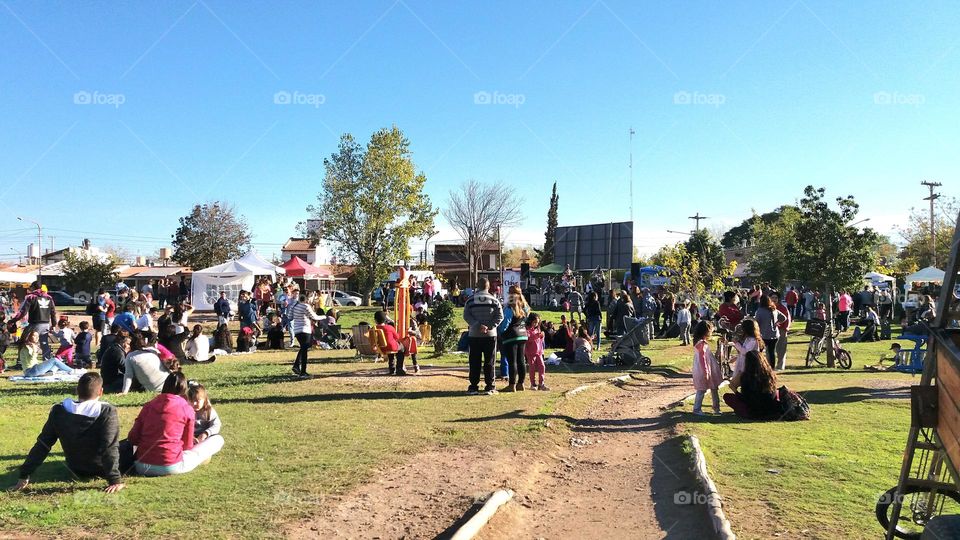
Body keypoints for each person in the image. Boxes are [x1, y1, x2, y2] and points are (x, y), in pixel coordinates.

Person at [12, 372, 124, 493]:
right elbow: (109, 446)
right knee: (131, 444)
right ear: (101, 392)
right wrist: (114, 479)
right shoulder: (106, 411)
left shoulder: (59, 410)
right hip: (101, 468)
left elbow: (42, 445)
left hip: (75, 467)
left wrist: (24, 474)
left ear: (77, 390)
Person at [126, 372, 224, 476]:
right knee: (218, 439)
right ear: (184, 390)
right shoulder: (186, 408)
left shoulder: (148, 406)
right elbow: (187, 446)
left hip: (141, 466)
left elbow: (133, 437)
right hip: (172, 465)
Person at [463, 277, 504, 395]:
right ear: (488, 286)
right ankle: (490, 386)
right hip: (490, 335)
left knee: (474, 361)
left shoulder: (470, 300)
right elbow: (500, 316)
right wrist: (489, 326)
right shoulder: (494, 300)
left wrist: (477, 325)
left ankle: (473, 386)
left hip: (474, 335)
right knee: (489, 361)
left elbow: (466, 316)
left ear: (477, 286)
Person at [725, 350, 786, 420]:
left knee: (727, 397)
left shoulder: (746, 376)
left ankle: (745, 413)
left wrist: (735, 390)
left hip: (754, 410)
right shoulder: (769, 374)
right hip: (771, 408)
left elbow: (746, 398)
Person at [10, 281, 57, 358]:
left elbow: (23, 312)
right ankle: (47, 361)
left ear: (33, 287)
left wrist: (13, 320)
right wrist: (54, 324)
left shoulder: (31, 297)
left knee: (24, 341)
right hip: (46, 324)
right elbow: (53, 312)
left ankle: (21, 362)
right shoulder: (49, 297)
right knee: (44, 344)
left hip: (35, 324)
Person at [498, 287, 530, 392]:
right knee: (521, 360)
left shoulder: (509, 307)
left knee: (512, 361)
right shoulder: (525, 307)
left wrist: (500, 332)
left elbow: (505, 323)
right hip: (523, 334)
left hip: (511, 336)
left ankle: (512, 385)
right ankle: (521, 383)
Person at [287, 291, 324, 378]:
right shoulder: (306, 306)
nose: (312, 298)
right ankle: (303, 372)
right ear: (307, 297)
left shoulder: (294, 305)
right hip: (305, 330)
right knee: (305, 351)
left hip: (297, 331)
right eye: (311, 296)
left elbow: (289, 317)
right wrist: (324, 316)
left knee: (304, 348)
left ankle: (296, 366)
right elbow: (314, 317)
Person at [691, 321, 722, 415]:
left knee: (714, 388)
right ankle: (697, 409)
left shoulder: (701, 343)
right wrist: (706, 371)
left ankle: (716, 408)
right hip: (704, 369)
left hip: (708, 368)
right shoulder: (702, 343)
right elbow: (702, 358)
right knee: (702, 389)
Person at [754, 295, 786, 371]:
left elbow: (757, 322)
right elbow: (784, 317)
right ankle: (772, 368)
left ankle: (760, 366)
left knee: (760, 351)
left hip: (764, 334)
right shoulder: (774, 309)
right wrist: (777, 322)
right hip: (774, 334)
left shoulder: (760, 310)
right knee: (771, 352)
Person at [187, 381, 223, 445]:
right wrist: (190, 437)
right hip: (188, 439)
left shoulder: (208, 411)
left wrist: (205, 434)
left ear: (204, 400)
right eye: (191, 400)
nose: (194, 403)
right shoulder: (185, 411)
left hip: (204, 440)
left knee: (218, 439)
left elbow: (216, 425)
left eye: (197, 401)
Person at [374, 310, 406, 375]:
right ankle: (399, 368)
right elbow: (397, 337)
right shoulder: (389, 328)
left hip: (381, 348)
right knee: (401, 348)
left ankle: (391, 368)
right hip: (391, 347)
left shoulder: (374, 329)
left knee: (390, 348)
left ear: (375, 320)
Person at [525, 313, 548, 390]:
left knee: (542, 366)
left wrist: (542, 336)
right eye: (534, 322)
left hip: (539, 352)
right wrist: (537, 336)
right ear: (530, 321)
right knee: (532, 368)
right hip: (530, 352)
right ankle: (533, 384)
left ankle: (541, 383)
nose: (536, 324)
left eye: (537, 322)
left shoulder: (538, 329)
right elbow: (528, 339)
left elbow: (540, 341)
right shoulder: (527, 330)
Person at [770, 292, 792, 370]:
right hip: (770, 331)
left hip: (781, 330)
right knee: (770, 349)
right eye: (772, 297)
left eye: (776, 298)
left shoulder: (782, 308)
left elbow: (788, 319)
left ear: (778, 299)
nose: (774, 299)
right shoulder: (767, 308)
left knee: (781, 349)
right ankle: (770, 366)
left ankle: (780, 366)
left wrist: (786, 328)